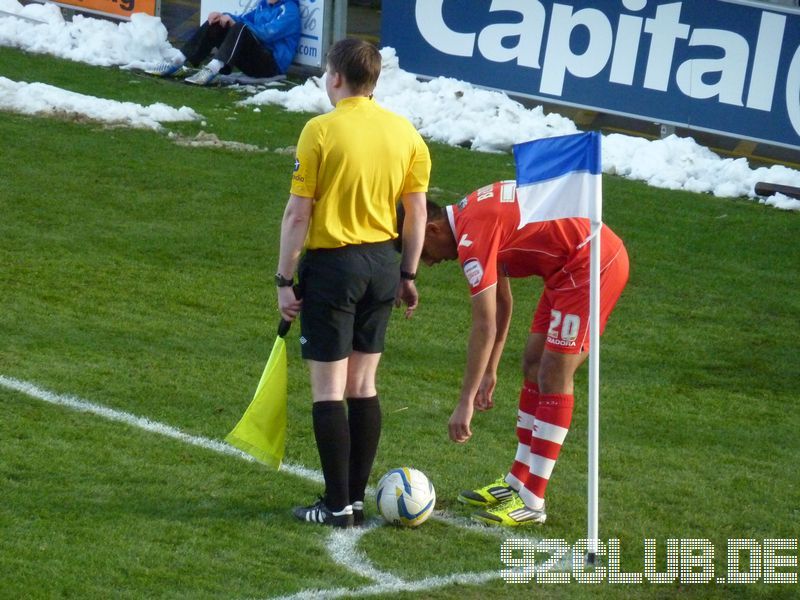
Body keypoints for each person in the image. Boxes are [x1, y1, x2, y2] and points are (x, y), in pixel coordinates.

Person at [406, 180, 628, 527]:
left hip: (592, 264)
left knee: (554, 373)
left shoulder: (471, 238)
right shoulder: (470, 216)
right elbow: (503, 304)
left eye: (423, 253)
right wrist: (490, 370)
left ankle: (533, 500)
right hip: (566, 269)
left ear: (432, 229)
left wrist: (465, 400)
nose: (429, 264)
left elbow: (484, 325)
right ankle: (517, 481)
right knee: (533, 363)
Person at [276, 39, 430, 528]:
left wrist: (283, 278)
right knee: (363, 385)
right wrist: (407, 273)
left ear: (336, 77)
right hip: (383, 264)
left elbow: (299, 212)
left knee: (328, 390)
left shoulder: (320, 130)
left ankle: (337, 504)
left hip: (335, 267)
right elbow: (417, 212)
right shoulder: (406, 134)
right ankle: (357, 500)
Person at [145, 0, 301, 86]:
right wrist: (223, 16)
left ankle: (212, 70)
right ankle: (177, 61)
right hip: (255, 60)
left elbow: (266, 34)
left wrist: (234, 23)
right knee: (218, 23)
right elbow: (244, 18)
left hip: (271, 66)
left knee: (240, 27)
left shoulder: (290, 10)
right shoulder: (263, 5)